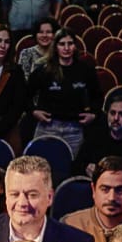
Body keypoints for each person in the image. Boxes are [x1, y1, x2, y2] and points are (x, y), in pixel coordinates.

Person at [24, 29, 101, 157]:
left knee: (70, 168)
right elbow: (25, 95)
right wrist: (33, 111)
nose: (66, 48)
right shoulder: (44, 70)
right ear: (55, 47)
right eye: (62, 44)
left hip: (74, 129)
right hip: (47, 126)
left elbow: (97, 96)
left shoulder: (85, 70)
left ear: (75, 46)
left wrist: (94, 114)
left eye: (70, 44)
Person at [62, 156, 122, 242]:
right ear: (93, 190)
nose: (112, 197)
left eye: (120, 190)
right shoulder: (70, 225)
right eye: (105, 189)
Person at [73, 89, 122, 178]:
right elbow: (75, 167)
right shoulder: (94, 137)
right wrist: (85, 168)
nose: (116, 118)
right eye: (112, 113)